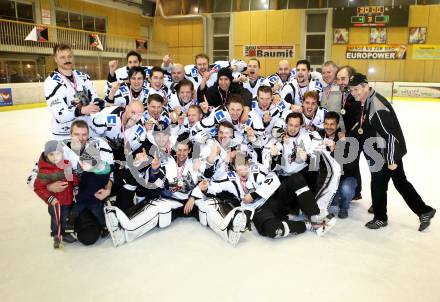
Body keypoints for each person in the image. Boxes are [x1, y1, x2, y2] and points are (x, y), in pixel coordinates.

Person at [348, 73, 436, 231]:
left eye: (356, 89)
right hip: (384, 151)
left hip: (386, 152)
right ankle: (424, 210)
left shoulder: (376, 106)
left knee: (378, 184)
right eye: (351, 89)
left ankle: (381, 218)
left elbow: (390, 136)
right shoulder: (366, 101)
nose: (353, 92)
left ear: (366, 86)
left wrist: (390, 160)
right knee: (400, 183)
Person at [45, 44, 103, 140]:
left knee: (101, 151)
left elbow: (93, 96)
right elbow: (60, 114)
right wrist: (82, 110)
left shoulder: (83, 77)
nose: (67, 60)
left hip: (86, 130)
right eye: (62, 57)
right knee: (85, 155)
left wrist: (101, 103)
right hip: (66, 134)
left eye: (69, 56)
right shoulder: (52, 82)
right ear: (55, 59)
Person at [33, 140, 79, 248]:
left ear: (62, 153)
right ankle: (56, 235)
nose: (55, 157)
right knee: (56, 219)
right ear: (46, 155)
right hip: (55, 202)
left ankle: (65, 233)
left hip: (67, 199)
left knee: (66, 217)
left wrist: (76, 185)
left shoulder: (66, 164)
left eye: (58, 153)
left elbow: (71, 178)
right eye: (51, 154)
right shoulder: (44, 171)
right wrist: (49, 198)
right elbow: (39, 188)